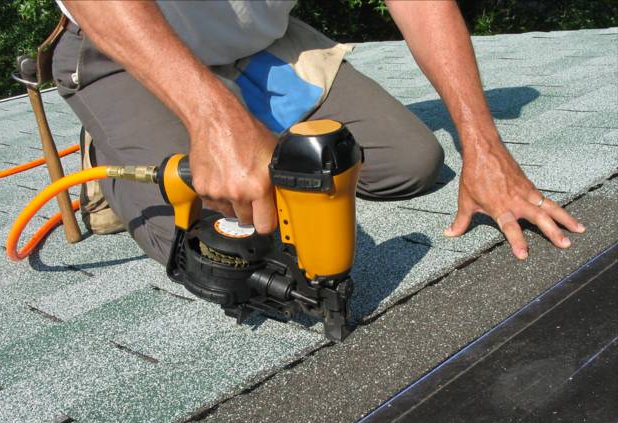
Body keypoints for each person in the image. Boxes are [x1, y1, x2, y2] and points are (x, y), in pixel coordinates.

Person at [52, 0, 585, 266]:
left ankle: (244, 115)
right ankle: (110, 148)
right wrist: (214, 121)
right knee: (223, 248)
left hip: (257, 45)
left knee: (412, 163)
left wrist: (483, 147)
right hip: (129, 48)